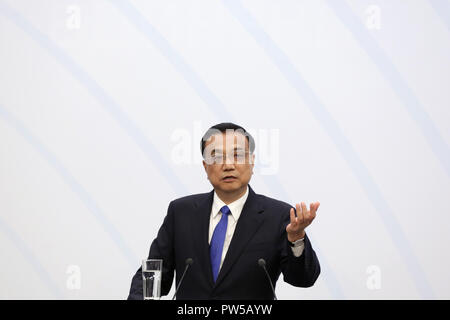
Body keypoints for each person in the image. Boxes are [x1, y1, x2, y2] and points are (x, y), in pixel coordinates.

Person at [127, 122, 320, 300]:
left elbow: (303, 279)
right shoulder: (181, 212)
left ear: (252, 162)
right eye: (217, 157)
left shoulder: (279, 215)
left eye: (237, 155)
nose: (228, 165)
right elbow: (152, 276)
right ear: (205, 166)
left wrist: (296, 239)